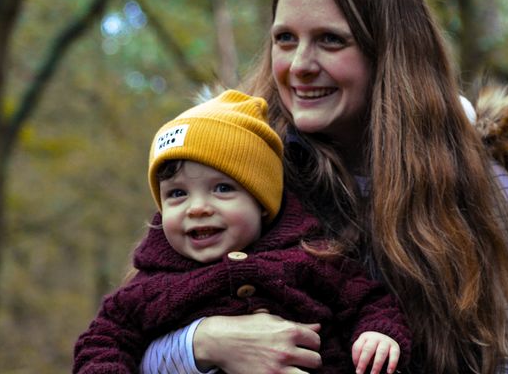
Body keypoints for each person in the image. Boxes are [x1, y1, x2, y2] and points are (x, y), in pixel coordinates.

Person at [140, 0, 508, 374]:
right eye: (285, 39)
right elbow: (129, 339)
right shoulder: (234, 164)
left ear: (389, 51)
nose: (300, 64)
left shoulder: (472, 172)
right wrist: (205, 342)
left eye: (331, 40)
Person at [73, 90, 412, 374]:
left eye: (222, 188)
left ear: (262, 201)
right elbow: (101, 343)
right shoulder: (151, 287)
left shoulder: (311, 258)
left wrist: (378, 334)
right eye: (177, 193)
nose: (197, 207)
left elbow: (369, 301)